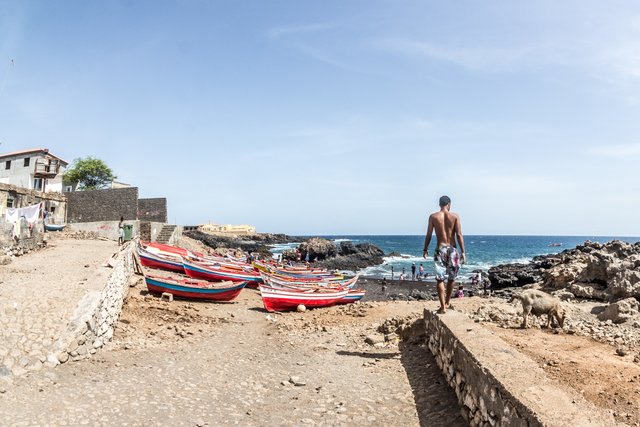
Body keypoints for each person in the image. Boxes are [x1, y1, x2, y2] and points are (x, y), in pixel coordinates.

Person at [423, 195, 466, 314]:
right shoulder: (455, 216)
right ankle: (447, 302)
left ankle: (443, 306)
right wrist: (463, 251)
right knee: (452, 279)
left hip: (440, 249)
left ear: (439, 204)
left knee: (439, 279)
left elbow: (428, 235)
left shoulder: (433, 217)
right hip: (452, 249)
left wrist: (425, 249)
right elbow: (459, 235)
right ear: (449, 204)